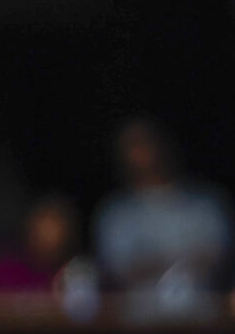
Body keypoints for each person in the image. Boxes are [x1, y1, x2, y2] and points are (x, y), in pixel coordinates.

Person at [92, 119, 229, 321]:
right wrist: (180, 260)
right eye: (133, 146)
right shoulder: (115, 214)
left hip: (201, 323)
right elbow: (117, 269)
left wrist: (156, 263)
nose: (142, 153)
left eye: (146, 142)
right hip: (139, 327)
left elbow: (218, 256)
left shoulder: (206, 204)